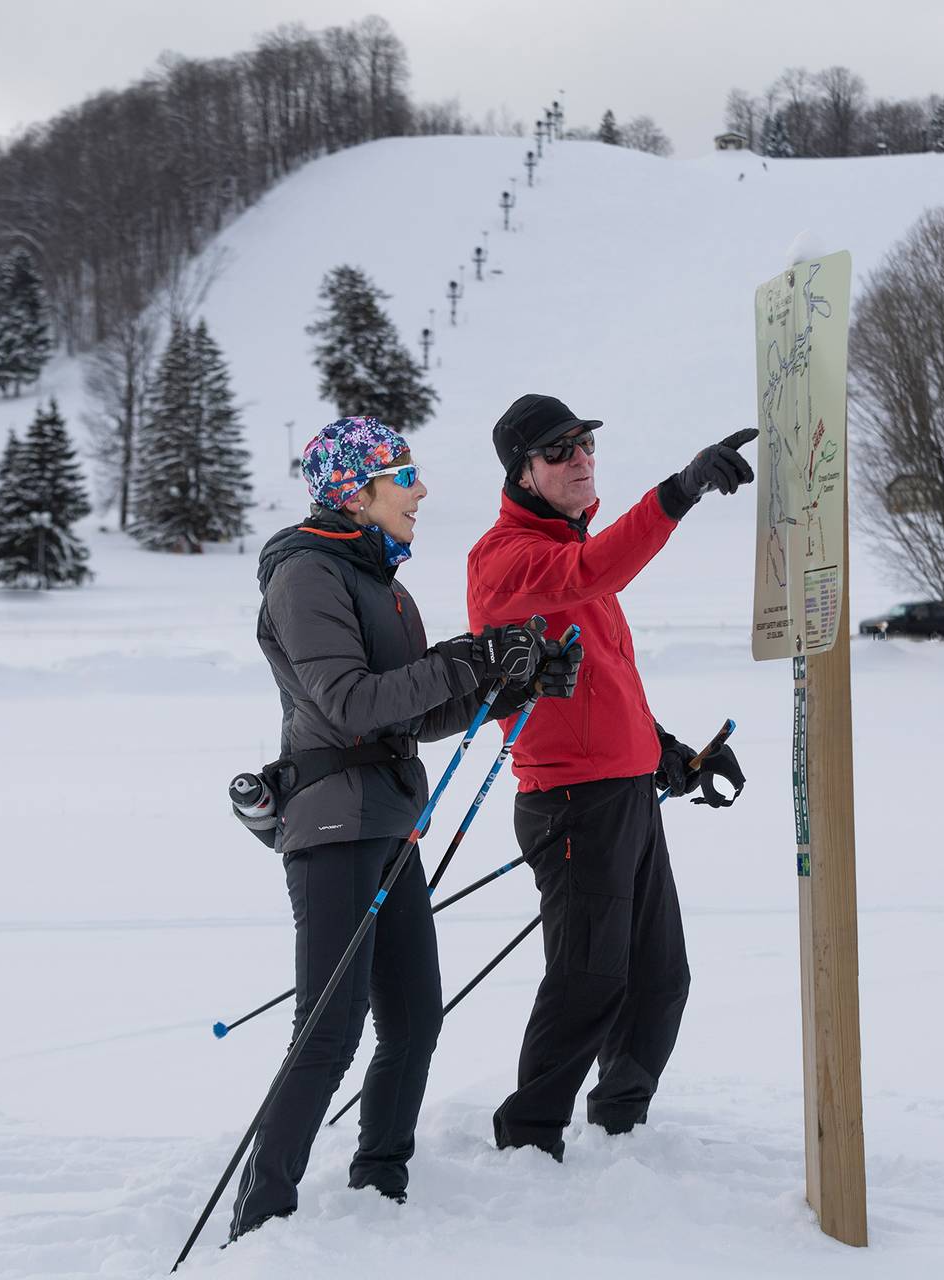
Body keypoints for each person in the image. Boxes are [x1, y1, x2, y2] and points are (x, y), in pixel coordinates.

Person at [234, 416, 580, 1240]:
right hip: (331, 823)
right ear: (356, 488)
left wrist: (507, 679)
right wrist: (472, 657)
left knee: (416, 1017)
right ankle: (262, 1218)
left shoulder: (384, 582)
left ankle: (380, 1180)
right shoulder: (307, 574)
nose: (421, 491)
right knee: (329, 1028)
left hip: (387, 818)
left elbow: (414, 714)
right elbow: (350, 704)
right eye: (406, 476)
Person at [466, 394, 751, 1161]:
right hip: (569, 805)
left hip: (623, 793)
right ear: (522, 474)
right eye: (559, 451)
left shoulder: (568, 551)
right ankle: (527, 1140)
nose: (581, 458)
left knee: (659, 979)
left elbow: (604, 684)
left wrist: (669, 752)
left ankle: (621, 1124)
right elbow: (594, 568)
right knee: (588, 982)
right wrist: (679, 492)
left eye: (586, 442)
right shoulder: (510, 559)